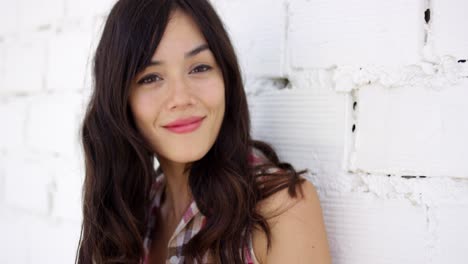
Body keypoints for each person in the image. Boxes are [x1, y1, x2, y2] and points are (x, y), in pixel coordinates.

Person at [76, 0, 331, 263]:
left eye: (199, 68)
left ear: (225, 77)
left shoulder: (279, 209)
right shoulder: (131, 212)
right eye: (151, 77)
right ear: (121, 99)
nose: (181, 97)